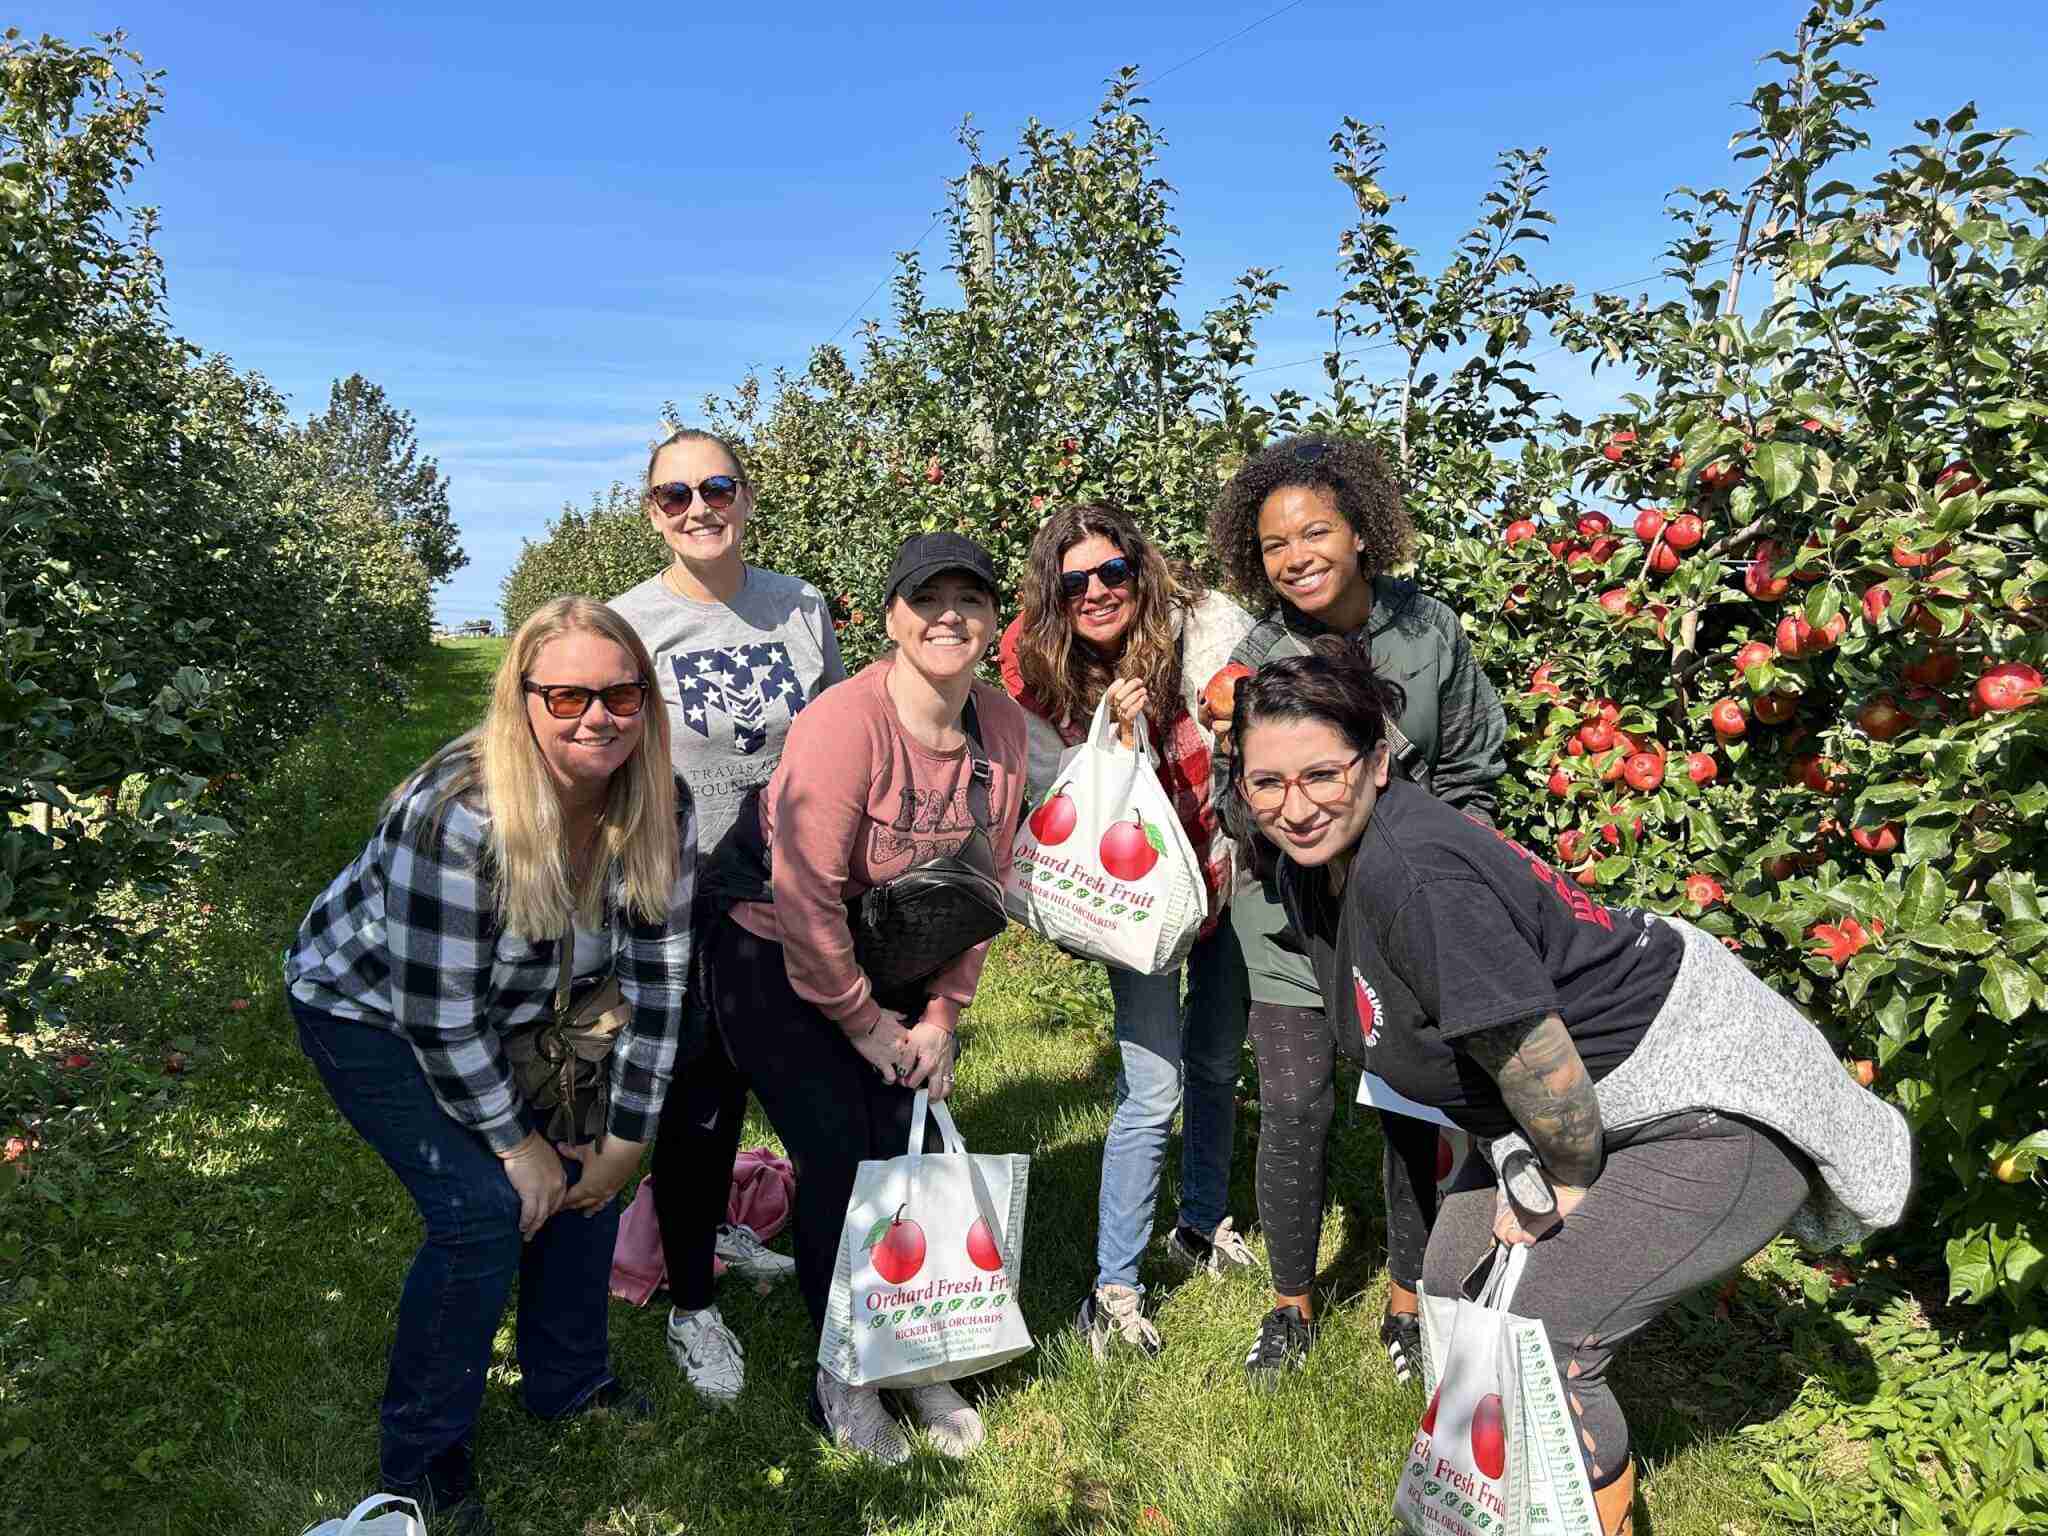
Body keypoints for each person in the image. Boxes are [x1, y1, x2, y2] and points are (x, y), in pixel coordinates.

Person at [1232, 638, 1912, 1535]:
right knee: (1452, 1286)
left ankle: (1583, 1514)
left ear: (1380, 759)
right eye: (1266, 782)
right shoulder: (1316, 862)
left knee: (1538, 1338)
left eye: (1322, 773)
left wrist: (1559, 1182)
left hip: (1704, 1107)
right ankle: (1498, 1502)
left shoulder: (1417, 877)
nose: (1296, 805)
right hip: (1581, 1103)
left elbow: (1540, 1062)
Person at [284, 598, 696, 1536]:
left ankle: (567, 1380)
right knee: (479, 1215)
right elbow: (438, 1014)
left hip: (544, 1000)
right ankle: (422, 1456)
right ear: (522, 701)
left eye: (622, 694)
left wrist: (627, 1139)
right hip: (373, 1011)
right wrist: (517, 1145)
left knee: (593, 1179)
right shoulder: (460, 814)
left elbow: (661, 980)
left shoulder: (655, 795)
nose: (599, 717)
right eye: (567, 697)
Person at [703, 532, 1028, 1464]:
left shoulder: (998, 730)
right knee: (841, 1156)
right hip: (773, 947)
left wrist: (939, 1020)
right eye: (927, 600)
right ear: (890, 619)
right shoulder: (848, 723)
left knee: (905, 1150)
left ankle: (912, 1351)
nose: (949, 617)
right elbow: (804, 893)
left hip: (892, 946)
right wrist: (865, 1022)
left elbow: (982, 884)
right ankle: (843, 1373)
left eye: (970, 599)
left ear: (994, 620)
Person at [1205, 433, 1507, 1383]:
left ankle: (1409, 1303)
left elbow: (1471, 761)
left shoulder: (1427, 633)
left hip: (1408, 911)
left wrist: (1440, 869)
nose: (1295, 557)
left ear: (1363, 533)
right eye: (1273, 545)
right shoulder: (1256, 661)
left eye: (1314, 532)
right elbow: (1229, 795)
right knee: (1295, 1104)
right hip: (1291, 914)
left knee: (1413, 1100)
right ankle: (1291, 1306)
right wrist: (1296, 835)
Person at [610, 427, 844, 1404]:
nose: (697, 507)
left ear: (747, 497)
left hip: (790, 887)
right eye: (674, 495)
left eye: (715, 487)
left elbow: (837, 740)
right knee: (697, 1099)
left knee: (803, 1089)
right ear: (652, 512)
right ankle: (693, 1304)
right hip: (682, 894)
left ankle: (789, 1262)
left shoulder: (800, 608)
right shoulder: (630, 623)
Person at [998, 503, 1254, 1357]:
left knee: (1216, 1062)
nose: (1097, 592)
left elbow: (1263, 715)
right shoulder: (1039, 670)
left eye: (1113, 572)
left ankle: (1201, 1221)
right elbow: (1056, 794)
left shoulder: (1204, 627)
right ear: (1053, 594)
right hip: (1135, 901)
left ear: (1139, 569)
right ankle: (1115, 1285)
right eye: (1075, 582)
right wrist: (1106, 738)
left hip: (1226, 871)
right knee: (1153, 1086)